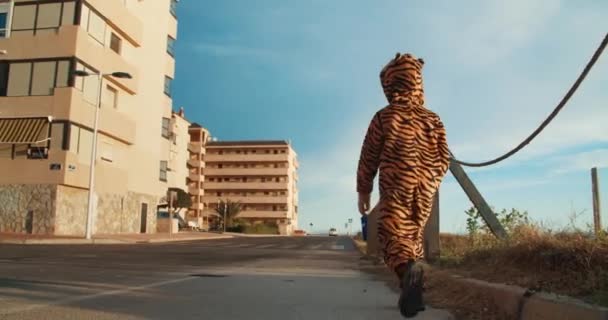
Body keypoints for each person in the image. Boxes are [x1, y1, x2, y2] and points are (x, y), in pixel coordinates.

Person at [356, 52, 450, 318]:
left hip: (398, 181)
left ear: (389, 86)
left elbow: (369, 155)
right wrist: (432, 178)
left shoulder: (385, 116)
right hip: (426, 185)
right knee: (413, 234)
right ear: (417, 84)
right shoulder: (433, 119)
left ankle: (409, 272)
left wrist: (364, 189)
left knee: (390, 234)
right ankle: (412, 283)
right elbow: (444, 156)